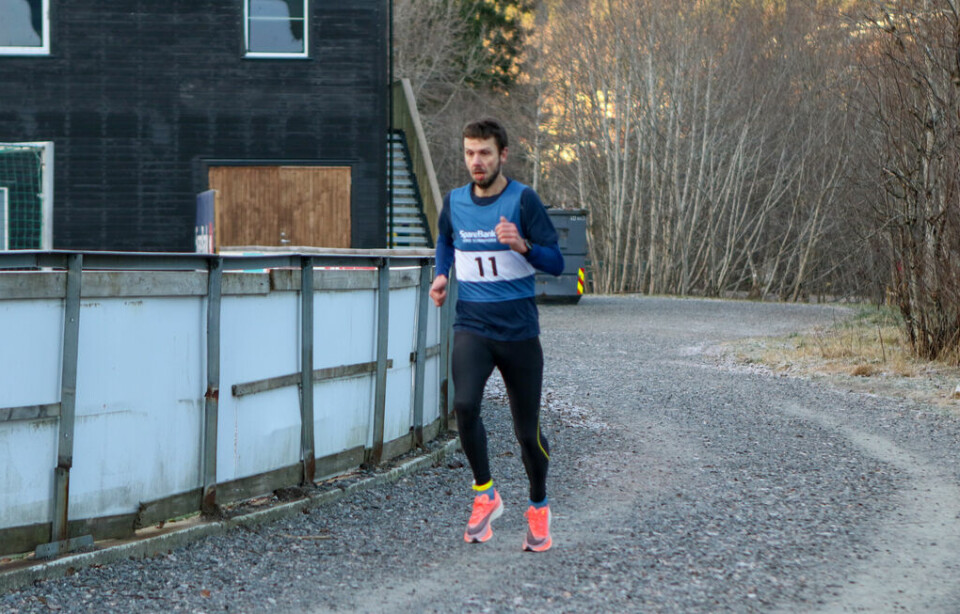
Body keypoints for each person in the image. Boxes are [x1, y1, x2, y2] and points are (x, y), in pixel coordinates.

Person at [430, 118, 564, 552]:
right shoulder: (454, 201)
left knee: (527, 432)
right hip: (472, 324)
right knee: (465, 406)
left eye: (484, 153)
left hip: (519, 333)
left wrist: (524, 246)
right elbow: (445, 239)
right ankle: (484, 493)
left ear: (502, 154)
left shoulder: (523, 200)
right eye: (469, 152)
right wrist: (440, 275)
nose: (476, 161)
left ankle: (538, 506)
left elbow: (558, 263)